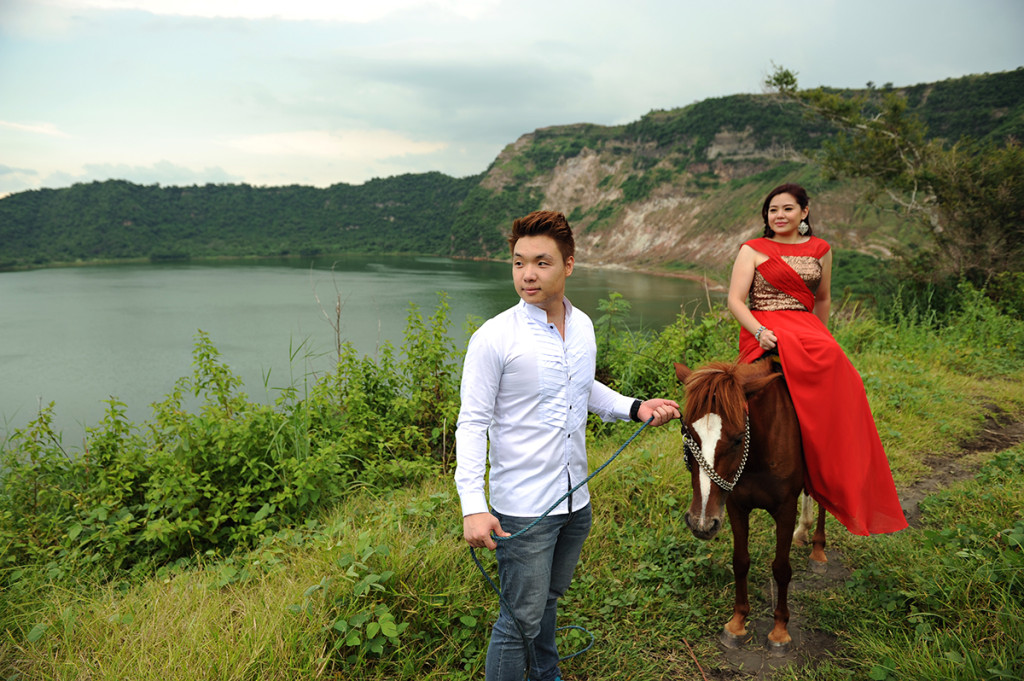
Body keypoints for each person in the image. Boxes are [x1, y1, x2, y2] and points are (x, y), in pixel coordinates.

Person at [455, 210, 680, 681]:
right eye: (519, 263)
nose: (528, 274)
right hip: (525, 509)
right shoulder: (494, 338)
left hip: (576, 500)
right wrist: (473, 505)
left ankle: (546, 674)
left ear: (569, 264)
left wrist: (634, 406)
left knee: (548, 603)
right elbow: (472, 424)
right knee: (518, 622)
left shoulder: (582, 327)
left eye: (541, 262)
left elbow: (583, 387)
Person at [726, 183, 908, 536]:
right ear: (766, 216)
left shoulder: (820, 249)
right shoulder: (752, 249)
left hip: (808, 330)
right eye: (773, 210)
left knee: (850, 382)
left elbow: (822, 298)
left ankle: (833, 464)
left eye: (787, 209)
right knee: (734, 395)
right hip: (765, 328)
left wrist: (822, 334)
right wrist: (761, 331)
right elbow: (735, 300)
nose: (779, 215)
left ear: (804, 212)